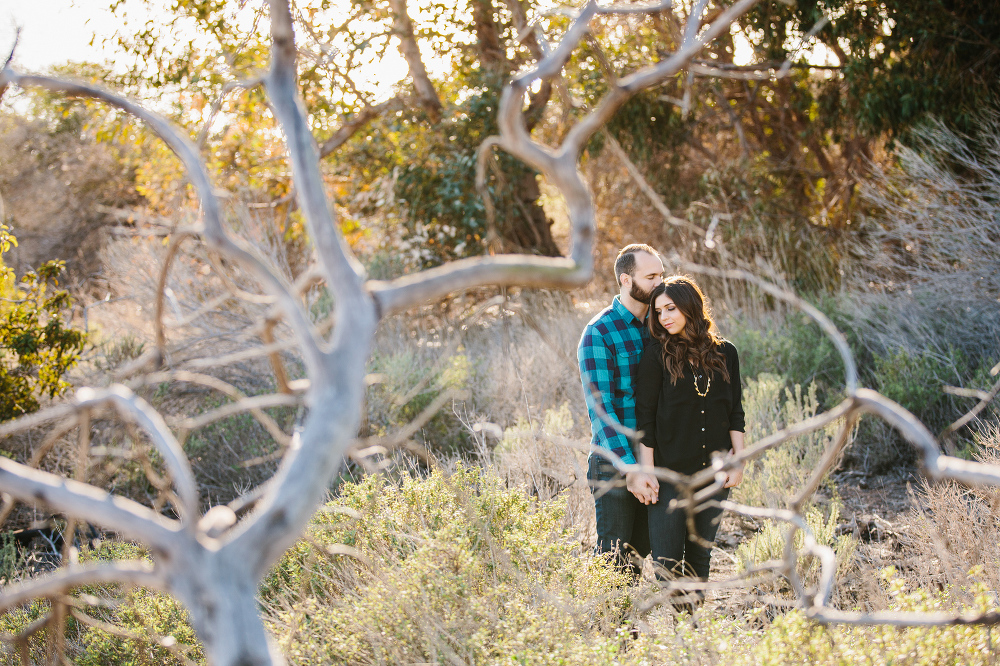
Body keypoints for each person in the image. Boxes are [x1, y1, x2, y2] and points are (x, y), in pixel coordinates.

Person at [634, 276, 745, 587]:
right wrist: (648, 470)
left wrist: (740, 460)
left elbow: (736, 411)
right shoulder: (656, 356)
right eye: (658, 312)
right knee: (666, 564)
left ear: (689, 306)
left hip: (714, 476)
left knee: (699, 558)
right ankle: (685, 626)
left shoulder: (726, 353)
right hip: (669, 476)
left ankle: (691, 631)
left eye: (670, 308)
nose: (663, 317)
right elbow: (646, 420)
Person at [578, 243, 663, 576]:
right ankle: (611, 627)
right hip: (613, 463)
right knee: (615, 561)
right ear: (626, 280)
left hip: (654, 459)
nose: (660, 283)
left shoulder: (663, 326)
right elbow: (602, 411)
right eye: (651, 276)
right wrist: (631, 468)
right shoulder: (599, 332)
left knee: (643, 554)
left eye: (661, 275)